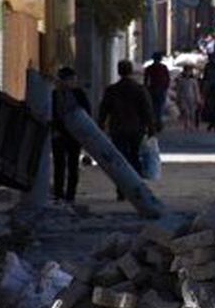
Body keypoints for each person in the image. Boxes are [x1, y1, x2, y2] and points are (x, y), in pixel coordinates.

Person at [98, 60, 156, 199]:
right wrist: (151, 128)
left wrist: (100, 125)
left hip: (117, 129)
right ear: (131, 72)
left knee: (120, 159)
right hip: (136, 129)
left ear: (119, 71)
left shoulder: (112, 90)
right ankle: (136, 189)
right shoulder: (139, 89)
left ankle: (121, 189)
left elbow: (103, 110)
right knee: (135, 157)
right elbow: (147, 110)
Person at [51, 66, 91, 203]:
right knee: (59, 165)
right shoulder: (54, 95)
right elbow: (51, 115)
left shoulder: (78, 94)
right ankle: (58, 193)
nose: (74, 82)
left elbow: (87, 112)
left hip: (74, 135)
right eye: (71, 79)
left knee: (73, 165)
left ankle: (70, 195)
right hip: (59, 134)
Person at [143, 51, 170, 131]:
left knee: (153, 107)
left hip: (153, 89)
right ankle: (158, 123)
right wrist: (165, 87)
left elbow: (146, 80)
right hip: (160, 89)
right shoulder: (163, 67)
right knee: (159, 107)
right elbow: (167, 79)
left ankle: (154, 123)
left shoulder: (149, 68)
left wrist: (146, 88)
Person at [175, 65, 202, 132]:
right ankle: (186, 124)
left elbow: (196, 90)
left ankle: (192, 125)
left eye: (189, 71)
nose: (187, 73)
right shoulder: (181, 81)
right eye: (186, 71)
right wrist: (178, 98)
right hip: (183, 98)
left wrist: (198, 98)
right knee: (186, 112)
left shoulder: (193, 81)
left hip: (192, 98)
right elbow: (179, 90)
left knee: (192, 113)